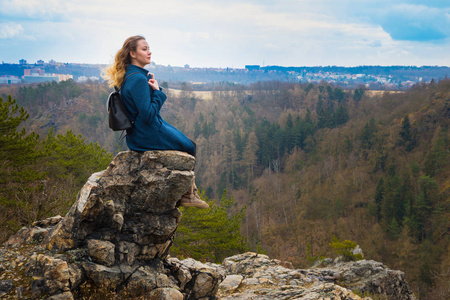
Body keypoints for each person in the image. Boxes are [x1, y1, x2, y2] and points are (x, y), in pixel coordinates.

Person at [105, 35, 208, 209]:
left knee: (190, 144)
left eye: (148, 48)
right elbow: (147, 115)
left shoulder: (132, 75)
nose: (149, 52)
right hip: (147, 132)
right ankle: (188, 194)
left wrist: (154, 89)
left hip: (141, 131)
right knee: (190, 147)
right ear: (133, 53)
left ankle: (189, 192)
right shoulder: (137, 79)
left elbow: (141, 109)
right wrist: (159, 93)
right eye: (144, 49)